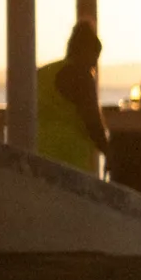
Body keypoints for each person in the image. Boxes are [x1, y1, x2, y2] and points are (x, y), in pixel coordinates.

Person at [36, 21, 112, 174]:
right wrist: (109, 154)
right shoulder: (80, 75)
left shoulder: (43, 73)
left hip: (37, 154)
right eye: (94, 59)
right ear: (86, 52)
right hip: (68, 158)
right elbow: (92, 122)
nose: (94, 66)